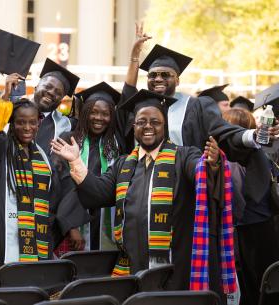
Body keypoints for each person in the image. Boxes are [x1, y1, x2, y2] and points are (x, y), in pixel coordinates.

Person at [52, 89, 236, 303]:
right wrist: (75, 162)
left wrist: (211, 165)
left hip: (173, 266)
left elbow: (200, 172)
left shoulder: (184, 156)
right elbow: (98, 193)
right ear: (134, 127)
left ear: (164, 126)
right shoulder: (123, 164)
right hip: (133, 266)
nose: (148, 126)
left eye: (155, 122)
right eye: (141, 122)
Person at [120, 26, 276, 209]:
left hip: (184, 190)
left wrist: (253, 135)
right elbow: (126, 97)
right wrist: (134, 57)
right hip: (144, 187)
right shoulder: (141, 108)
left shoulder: (195, 106)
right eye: (153, 75)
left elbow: (223, 131)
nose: (158, 79)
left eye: (165, 75)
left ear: (177, 80)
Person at [0, 85, 76, 287]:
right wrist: (5, 98)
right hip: (4, 233)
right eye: (20, 122)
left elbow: (51, 199)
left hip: (38, 236)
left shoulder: (42, 156)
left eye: (32, 122)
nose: (27, 128)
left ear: (39, 123)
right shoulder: (2, 148)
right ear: (12, 123)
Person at [54, 82, 123, 253]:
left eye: (105, 114)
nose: (99, 118)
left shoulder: (116, 145)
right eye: (93, 112)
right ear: (85, 113)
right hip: (74, 220)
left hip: (107, 222)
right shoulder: (69, 140)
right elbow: (62, 184)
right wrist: (72, 226)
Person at [223, 108, 279, 305]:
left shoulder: (227, 160)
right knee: (266, 285)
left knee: (245, 288)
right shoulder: (263, 155)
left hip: (241, 232)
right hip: (265, 229)